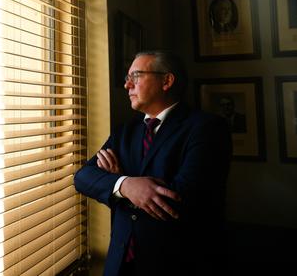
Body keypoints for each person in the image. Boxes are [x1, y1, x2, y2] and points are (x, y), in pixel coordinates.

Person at [74, 50, 232, 276]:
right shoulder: (125, 132)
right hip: (120, 264)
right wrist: (125, 184)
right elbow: (83, 177)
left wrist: (114, 186)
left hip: (176, 264)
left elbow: (181, 199)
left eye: (136, 76)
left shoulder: (207, 128)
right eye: (127, 78)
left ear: (166, 80)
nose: (127, 85)